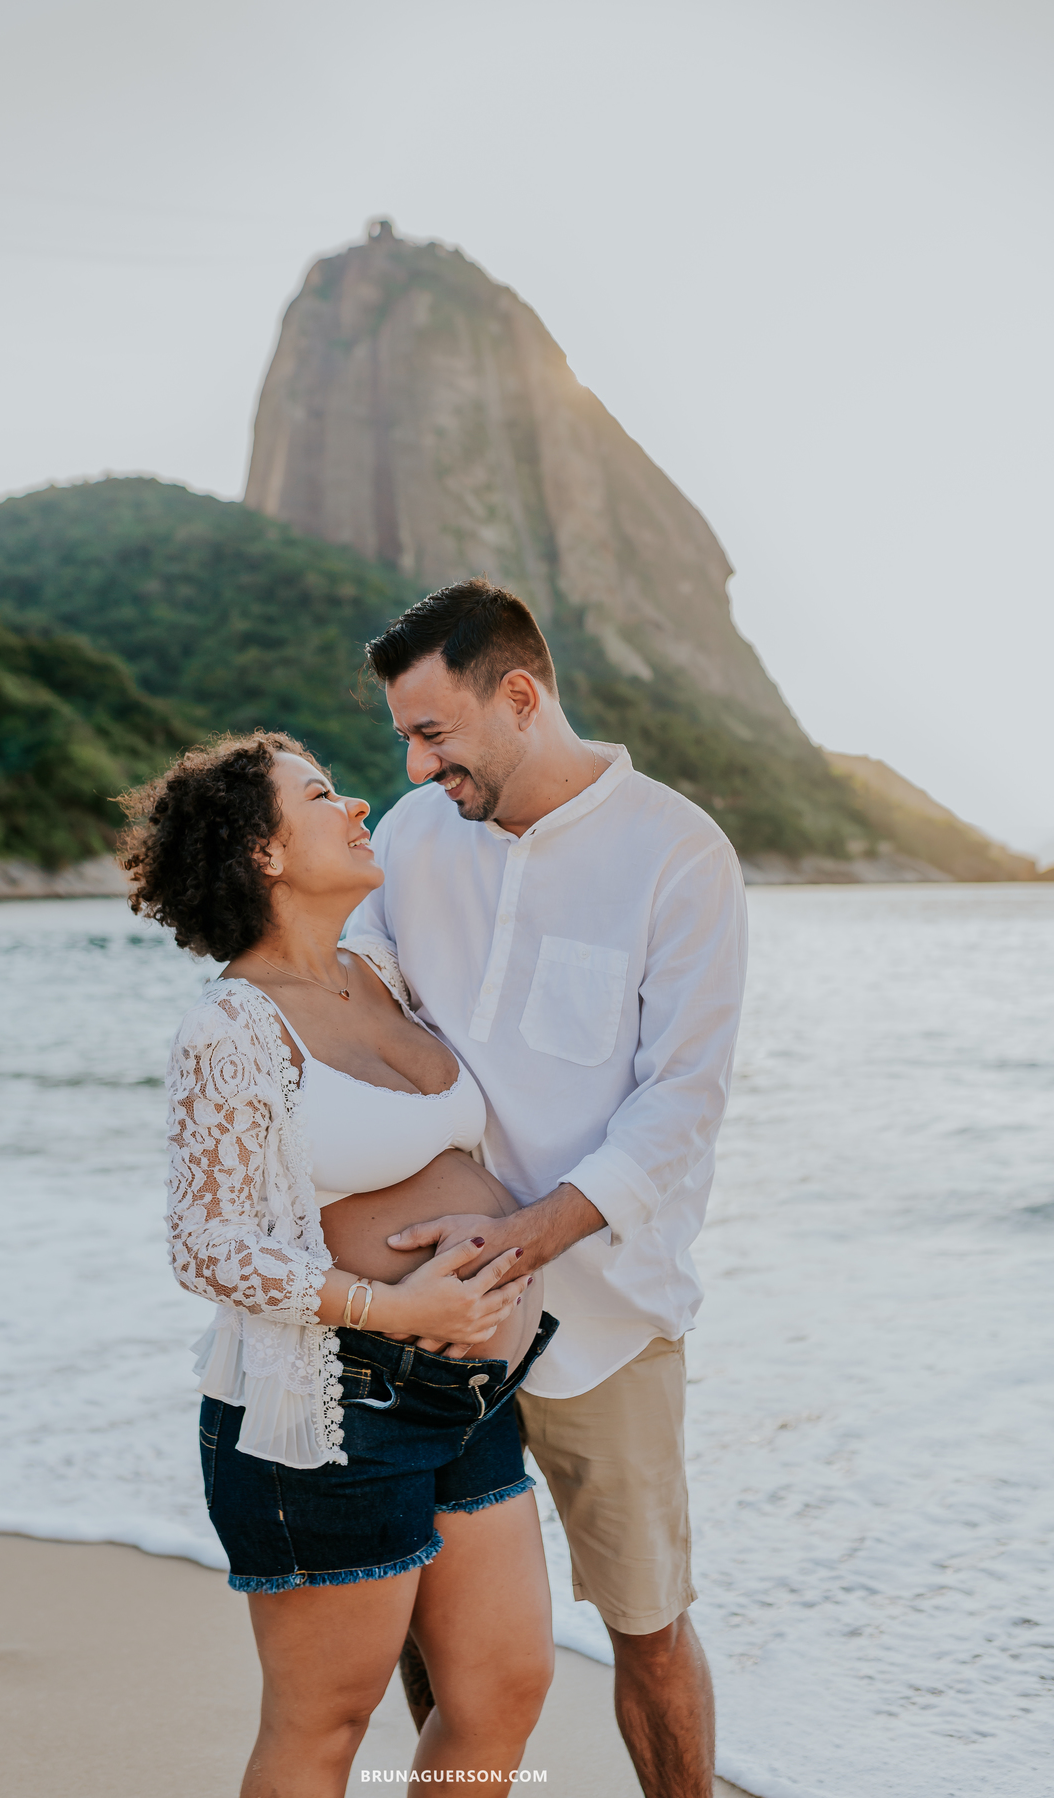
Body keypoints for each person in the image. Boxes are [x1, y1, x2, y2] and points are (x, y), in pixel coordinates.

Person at [345, 580, 749, 1798]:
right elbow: (356, 992)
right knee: (438, 1621)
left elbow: (681, 1102)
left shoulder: (678, 852)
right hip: (439, 1303)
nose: (416, 766)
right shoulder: (417, 838)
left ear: (519, 696)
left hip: (608, 1312)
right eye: (406, 736)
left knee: (648, 1620)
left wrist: (527, 1233)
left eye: (434, 732)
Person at [119, 731, 558, 1798]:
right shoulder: (231, 1026)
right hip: (333, 1408)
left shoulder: (381, 970)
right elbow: (206, 1244)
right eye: (321, 795)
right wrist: (393, 1308)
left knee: (503, 1689)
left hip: (469, 1394)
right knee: (327, 1723)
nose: (356, 803)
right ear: (263, 852)